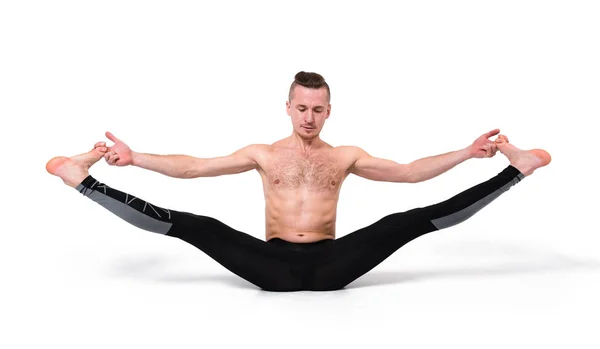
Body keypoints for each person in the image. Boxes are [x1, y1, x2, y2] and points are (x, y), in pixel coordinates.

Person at [46, 71, 551, 292]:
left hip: (334, 265)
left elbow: (410, 173)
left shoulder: (346, 155)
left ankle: (517, 170)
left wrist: (466, 152)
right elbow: (195, 167)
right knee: (195, 224)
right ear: (288, 107)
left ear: (329, 111)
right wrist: (134, 159)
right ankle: (81, 181)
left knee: (407, 221)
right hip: (271, 265)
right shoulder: (262, 154)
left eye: (317, 109)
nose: (308, 117)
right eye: (301, 108)